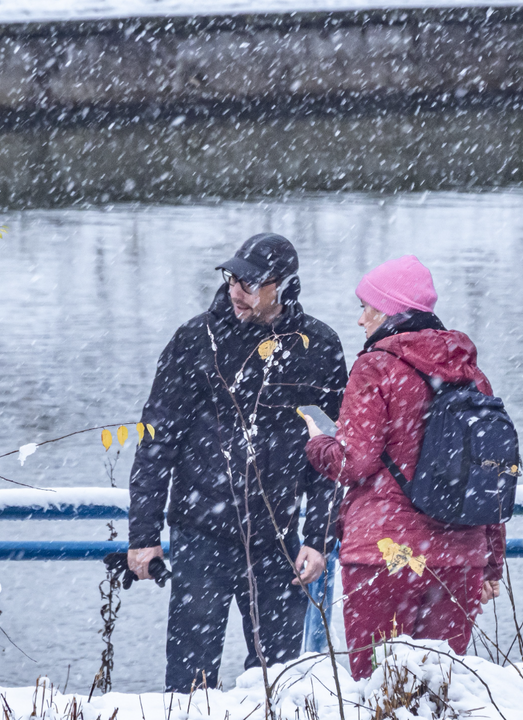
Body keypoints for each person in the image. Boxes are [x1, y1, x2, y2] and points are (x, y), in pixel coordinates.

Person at [127, 233, 349, 693]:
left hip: (279, 538)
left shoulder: (316, 346)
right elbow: (156, 441)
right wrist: (144, 536)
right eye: (232, 278)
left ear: (283, 287)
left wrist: (320, 538)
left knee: (282, 680)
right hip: (200, 533)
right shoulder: (196, 340)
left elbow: (339, 450)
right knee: (190, 682)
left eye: (249, 283)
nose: (235, 291)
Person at [302, 255, 507, 681]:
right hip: (457, 559)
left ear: (392, 310)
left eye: (367, 307)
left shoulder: (376, 366)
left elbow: (353, 462)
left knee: (377, 690)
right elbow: (489, 477)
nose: (360, 320)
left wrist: (318, 442)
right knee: (439, 691)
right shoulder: (472, 374)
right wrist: (491, 564)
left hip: (383, 555)